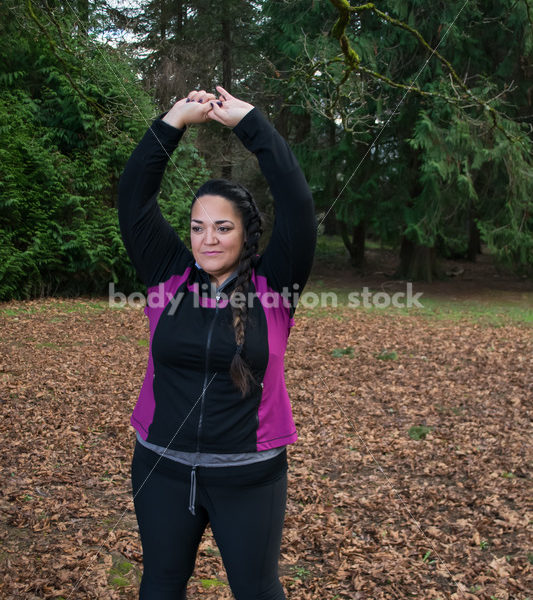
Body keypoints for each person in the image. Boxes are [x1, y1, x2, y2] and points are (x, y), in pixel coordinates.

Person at [118, 85, 317, 600]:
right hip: (161, 465)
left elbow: (296, 203)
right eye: (197, 227)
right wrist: (172, 123)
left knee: (256, 590)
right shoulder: (167, 274)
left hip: (249, 474)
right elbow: (134, 197)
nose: (207, 239)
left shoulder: (275, 285)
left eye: (222, 228)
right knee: (160, 585)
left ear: (246, 233)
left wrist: (251, 123)